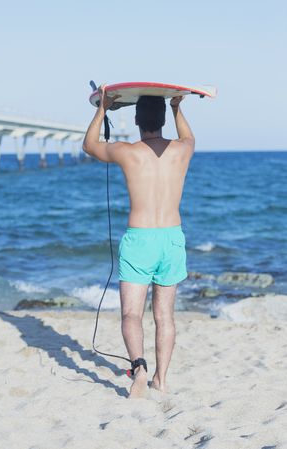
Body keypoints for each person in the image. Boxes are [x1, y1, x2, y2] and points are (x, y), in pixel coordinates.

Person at [83, 85, 195, 398]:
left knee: (132, 314)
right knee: (165, 317)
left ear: (136, 120)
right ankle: (162, 379)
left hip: (139, 240)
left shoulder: (127, 152)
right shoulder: (182, 149)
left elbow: (89, 146)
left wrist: (102, 108)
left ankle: (140, 368)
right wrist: (177, 108)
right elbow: (189, 137)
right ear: (162, 120)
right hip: (172, 238)